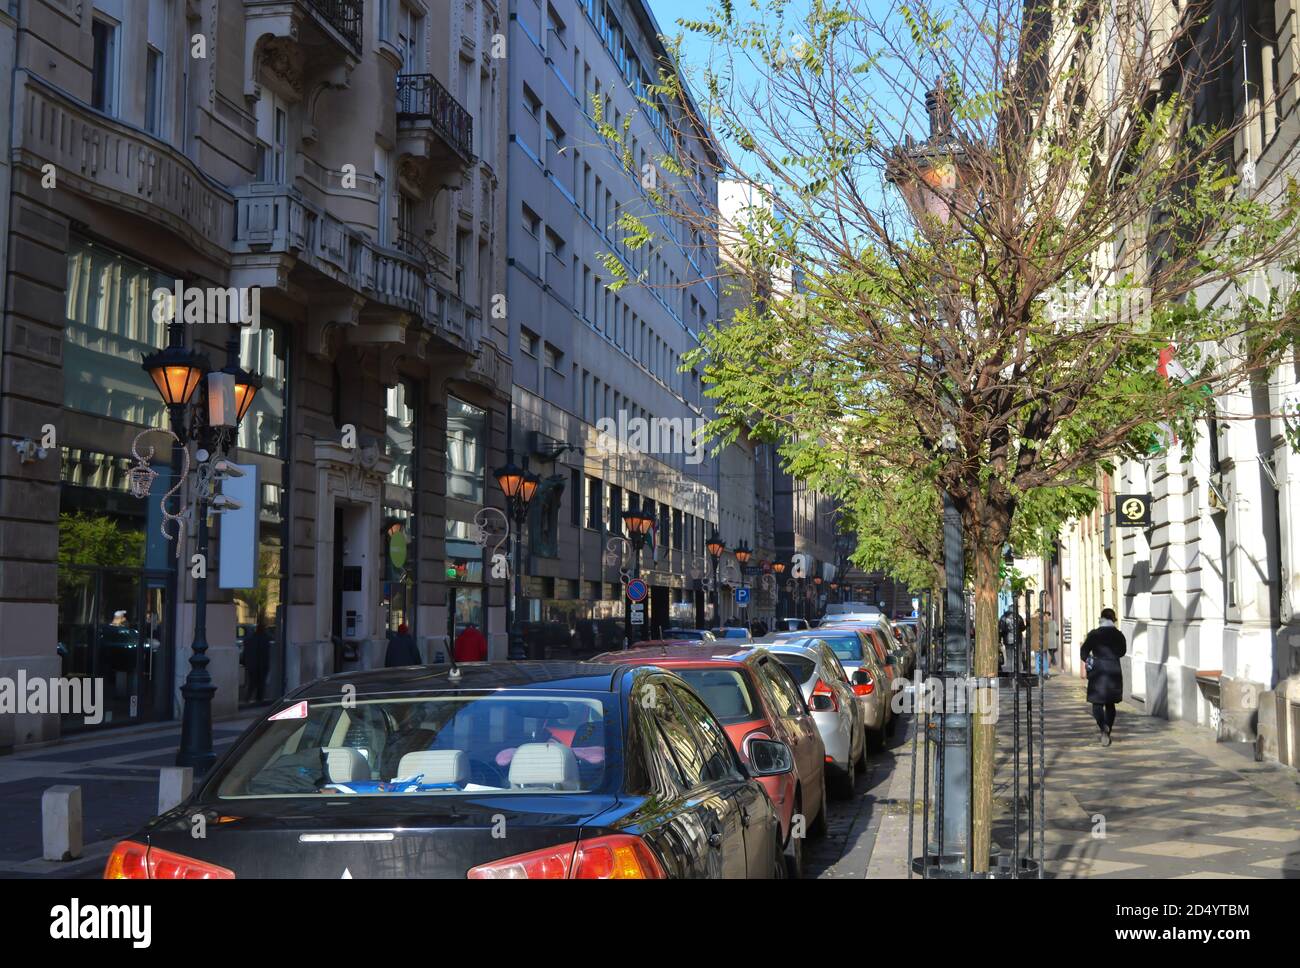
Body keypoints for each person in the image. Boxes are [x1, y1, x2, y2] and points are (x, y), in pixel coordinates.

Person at [1079, 607, 1126, 746]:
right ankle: (1107, 730)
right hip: (1114, 671)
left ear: (1102, 618)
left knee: (1097, 703)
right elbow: (1122, 651)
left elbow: (1083, 652)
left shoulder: (1094, 634)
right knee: (1110, 704)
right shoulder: (1119, 634)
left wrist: (1090, 661)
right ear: (1113, 619)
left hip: (1098, 671)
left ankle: (1102, 726)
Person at [242, 619, 272, 702]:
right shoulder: (265, 638)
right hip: (260, 665)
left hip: (252, 665)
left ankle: (247, 699)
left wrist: (245, 662)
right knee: (260, 684)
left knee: (252, 684)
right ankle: (258, 700)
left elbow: (245, 653)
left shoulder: (249, 638)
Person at [998, 606, 1026, 672]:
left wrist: (1000, 639)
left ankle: (1010, 672)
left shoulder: (1003, 617)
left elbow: (1001, 630)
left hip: (1007, 640)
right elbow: (1022, 628)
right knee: (1018, 657)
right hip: (1017, 640)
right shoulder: (1018, 617)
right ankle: (1017, 672)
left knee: (1009, 657)